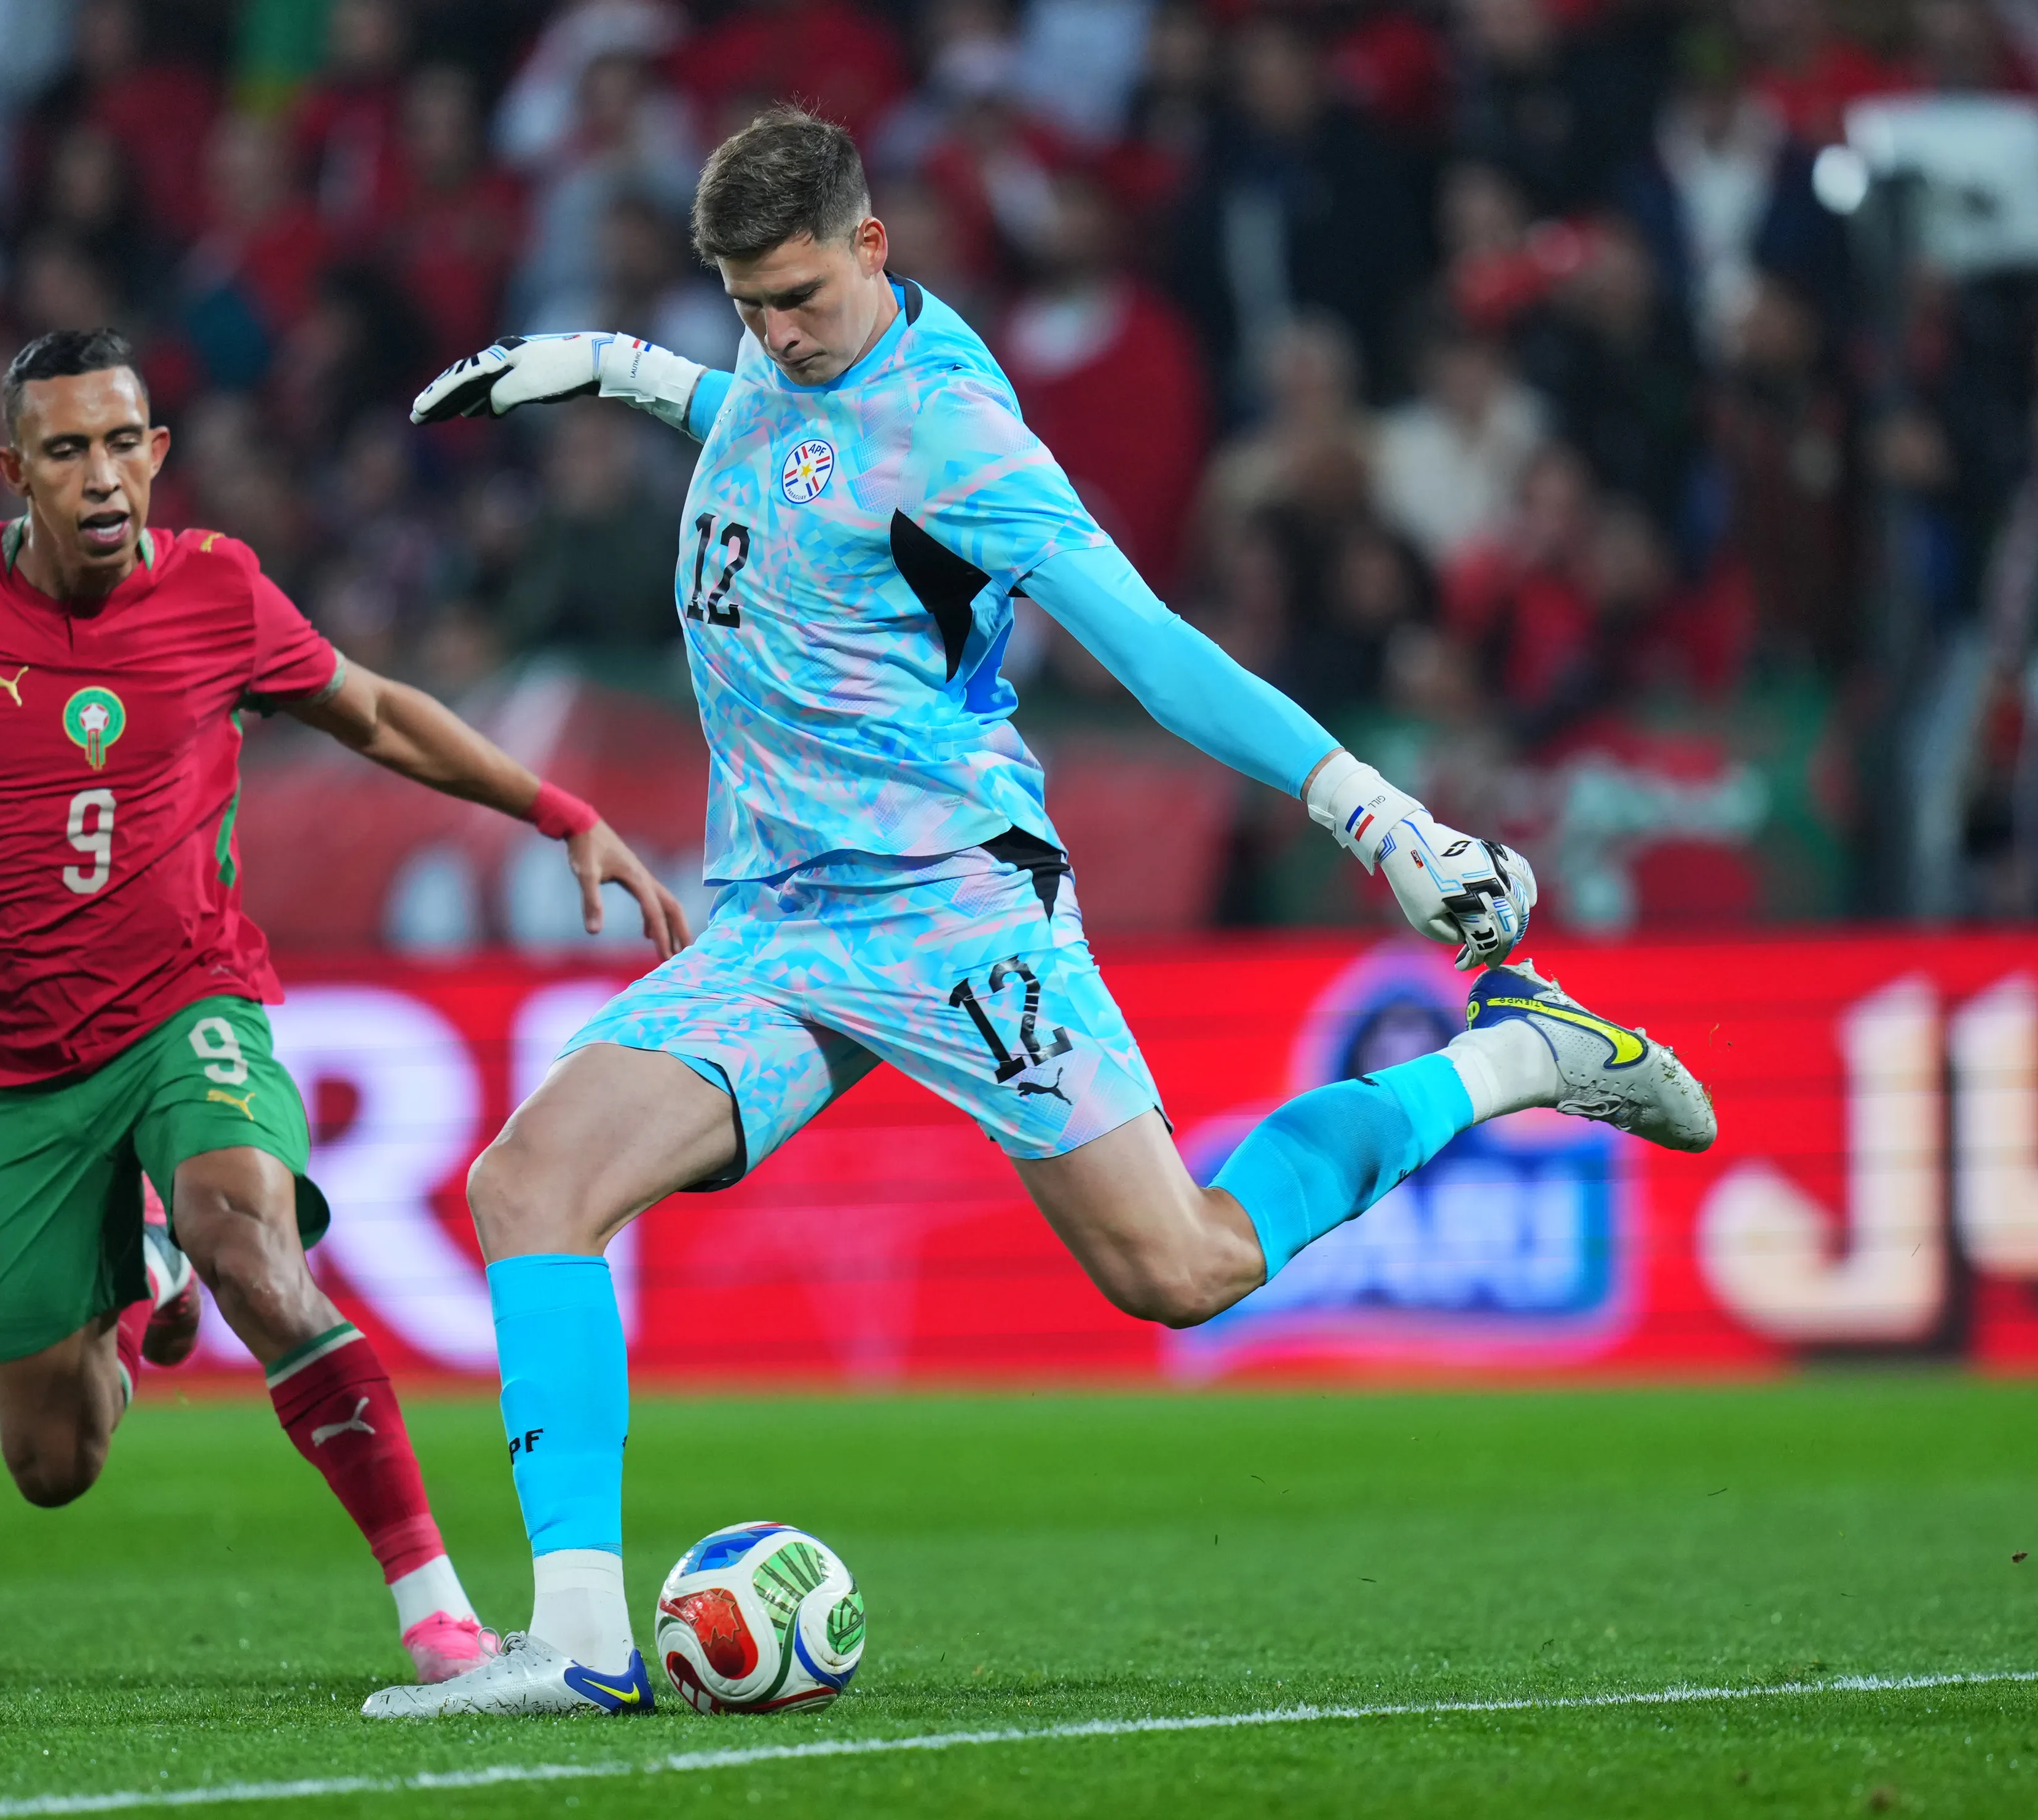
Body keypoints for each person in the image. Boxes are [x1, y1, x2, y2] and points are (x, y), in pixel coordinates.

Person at [381, 108, 1717, 1717]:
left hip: (956, 914)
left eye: (799, 296)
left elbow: (1155, 654)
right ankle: (583, 1642)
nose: (776, 334)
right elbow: (788, 446)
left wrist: (1379, 817)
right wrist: (624, 368)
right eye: (744, 306)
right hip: (779, 922)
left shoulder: (961, 440)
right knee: (531, 1184)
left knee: (1182, 1265)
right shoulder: (786, 376)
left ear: (877, 247)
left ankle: (1518, 1063)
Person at [0, 328, 692, 1687]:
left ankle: (438, 1613)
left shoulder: (221, 592)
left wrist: (562, 812)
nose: (105, 477)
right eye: (68, 451)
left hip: (194, 1005)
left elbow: (375, 713)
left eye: (125, 444)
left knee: (252, 1244)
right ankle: (143, 1269)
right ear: (15, 470)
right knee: (54, 1463)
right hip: (17, 1071)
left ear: (158, 453)